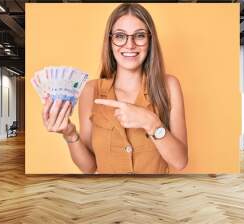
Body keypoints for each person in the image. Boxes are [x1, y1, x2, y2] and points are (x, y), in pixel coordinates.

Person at [42, 3, 188, 174]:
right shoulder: (91, 90)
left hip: (155, 198)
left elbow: (180, 161)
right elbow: (90, 167)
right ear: (110, 41)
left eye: (139, 36)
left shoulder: (169, 86)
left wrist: (151, 122)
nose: (130, 44)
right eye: (120, 36)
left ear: (150, 40)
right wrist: (69, 133)